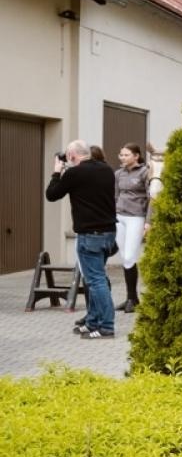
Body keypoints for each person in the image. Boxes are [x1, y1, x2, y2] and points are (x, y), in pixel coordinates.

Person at [45, 140, 118, 339]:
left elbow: (51, 194)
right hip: (109, 233)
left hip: (89, 235)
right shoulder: (107, 170)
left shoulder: (74, 174)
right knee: (95, 278)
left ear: (72, 156)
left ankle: (107, 326)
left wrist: (57, 171)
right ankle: (93, 320)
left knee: (95, 281)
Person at [113, 142, 152, 312]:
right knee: (125, 258)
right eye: (121, 155)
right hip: (119, 217)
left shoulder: (145, 172)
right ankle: (131, 298)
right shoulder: (118, 173)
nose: (122, 157)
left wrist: (149, 221)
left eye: (126, 154)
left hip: (136, 217)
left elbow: (152, 198)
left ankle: (132, 298)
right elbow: (116, 195)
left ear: (136, 156)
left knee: (130, 255)